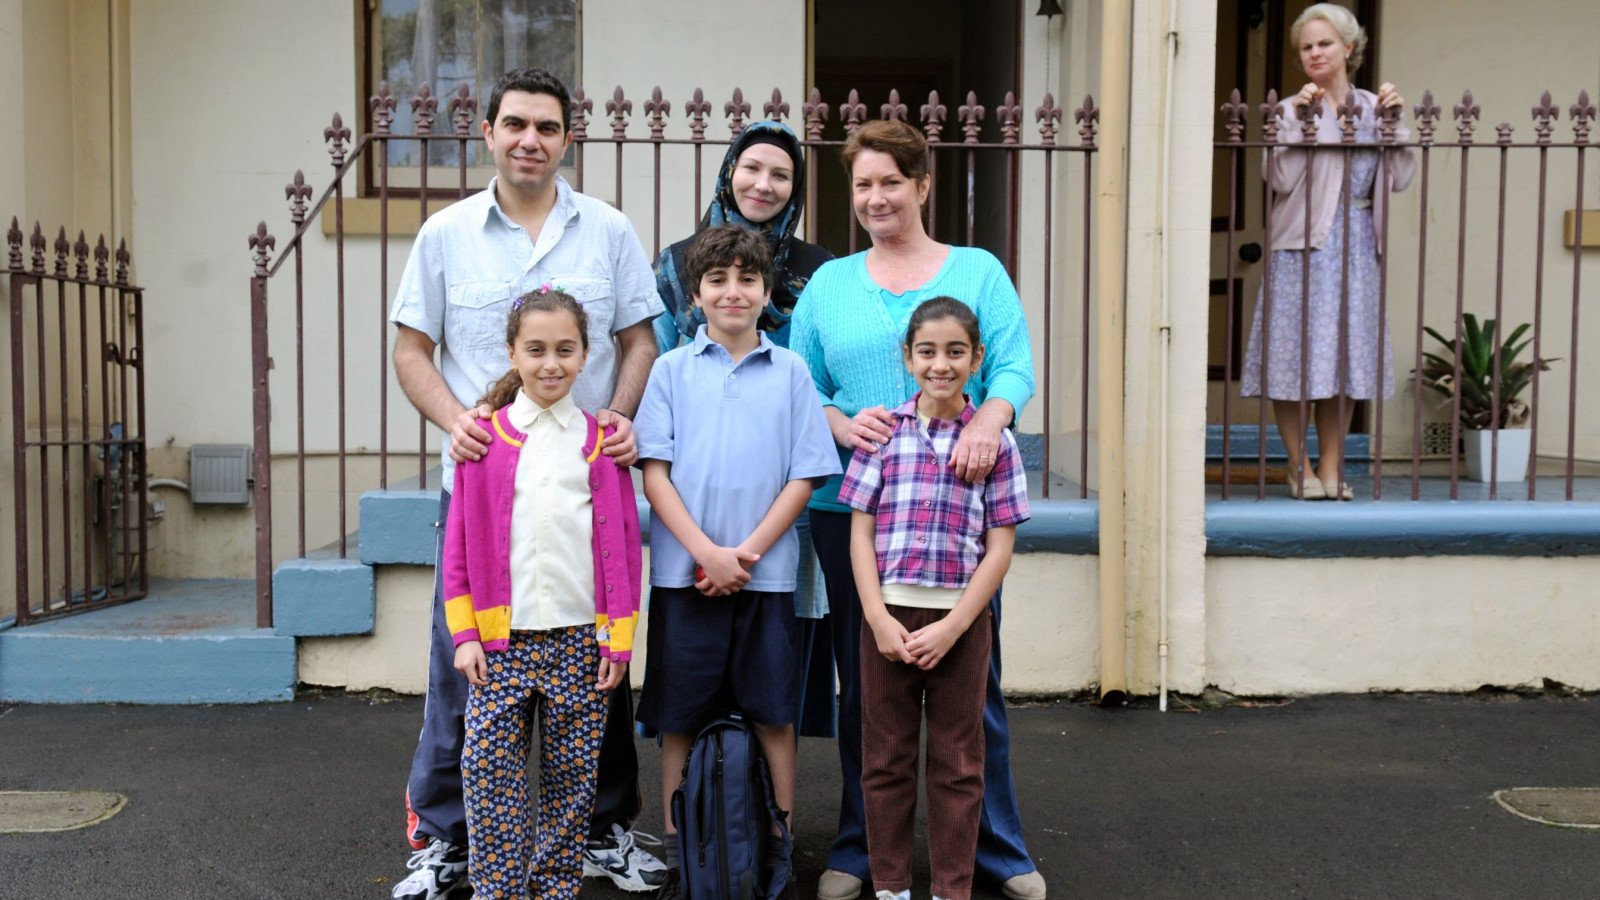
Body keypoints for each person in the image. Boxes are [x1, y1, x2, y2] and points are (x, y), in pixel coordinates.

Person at [388, 66, 667, 900]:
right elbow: (412, 350)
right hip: (484, 490)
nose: (530, 140)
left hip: (585, 491)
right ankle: (445, 839)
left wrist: (616, 417)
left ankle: (600, 832)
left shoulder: (609, 231)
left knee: (597, 669)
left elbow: (642, 340)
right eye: (515, 124)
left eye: (547, 127)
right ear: (488, 132)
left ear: (567, 138)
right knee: (462, 663)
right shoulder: (446, 235)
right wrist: (455, 422)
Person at [789, 119, 1046, 900]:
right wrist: (839, 423)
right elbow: (801, 382)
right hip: (853, 508)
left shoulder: (978, 272)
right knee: (867, 688)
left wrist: (987, 420)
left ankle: (997, 852)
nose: (875, 198)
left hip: (959, 513)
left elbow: (1013, 368)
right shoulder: (831, 282)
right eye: (862, 185)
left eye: (890, 183)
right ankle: (863, 850)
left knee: (974, 687)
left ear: (923, 185)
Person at [634, 225, 841, 900]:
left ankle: (777, 844)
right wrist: (705, 552)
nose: (732, 291)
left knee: (772, 711)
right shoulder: (669, 372)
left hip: (765, 576)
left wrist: (744, 554)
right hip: (683, 575)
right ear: (693, 296)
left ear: (767, 292)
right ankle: (680, 847)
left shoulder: (792, 372)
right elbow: (655, 474)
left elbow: (805, 476)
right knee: (680, 716)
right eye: (717, 279)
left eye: (747, 279)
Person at [445, 287, 642, 900]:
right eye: (535, 350)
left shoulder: (602, 442)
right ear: (512, 354)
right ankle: (496, 890)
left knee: (572, 780)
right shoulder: (485, 439)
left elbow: (626, 549)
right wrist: (464, 635)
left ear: (586, 356)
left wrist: (620, 640)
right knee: (488, 773)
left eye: (565, 349)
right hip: (501, 647)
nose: (550, 363)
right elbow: (457, 548)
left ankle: (554, 888)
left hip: (582, 641)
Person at [652, 120, 839, 739]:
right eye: (751, 168)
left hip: (783, 488)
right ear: (728, 171)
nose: (764, 184)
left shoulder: (821, 271)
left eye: (781, 174)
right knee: (691, 666)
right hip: (697, 492)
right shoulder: (679, 262)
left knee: (776, 656)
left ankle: (756, 805)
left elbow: (823, 363)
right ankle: (703, 804)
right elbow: (656, 358)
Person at [840, 297, 1029, 900]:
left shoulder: (996, 445)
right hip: (888, 621)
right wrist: (875, 617)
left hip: (962, 624)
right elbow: (860, 533)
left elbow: (998, 549)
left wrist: (954, 627)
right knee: (886, 759)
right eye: (927, 351)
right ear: (907, 357)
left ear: (976, 359)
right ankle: (891, 885)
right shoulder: (883, 436)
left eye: (955, 352)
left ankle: (953, 887)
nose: (940, 365)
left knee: (958, 761)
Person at [1239, 2, 1415, 500]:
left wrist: (1395, 126)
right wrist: (1298, 120)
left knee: (1346, 360)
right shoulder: (1290, 109)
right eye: (1306, 47)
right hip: (1301, 249)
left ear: (1349, 48)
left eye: (1324, 44)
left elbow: (1399, 179)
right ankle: (1299, 467)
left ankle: (1333, 468)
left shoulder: (1373, 106)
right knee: (1294, 362)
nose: (1315, 53)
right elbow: (1278, 178)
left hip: (1360, 248)